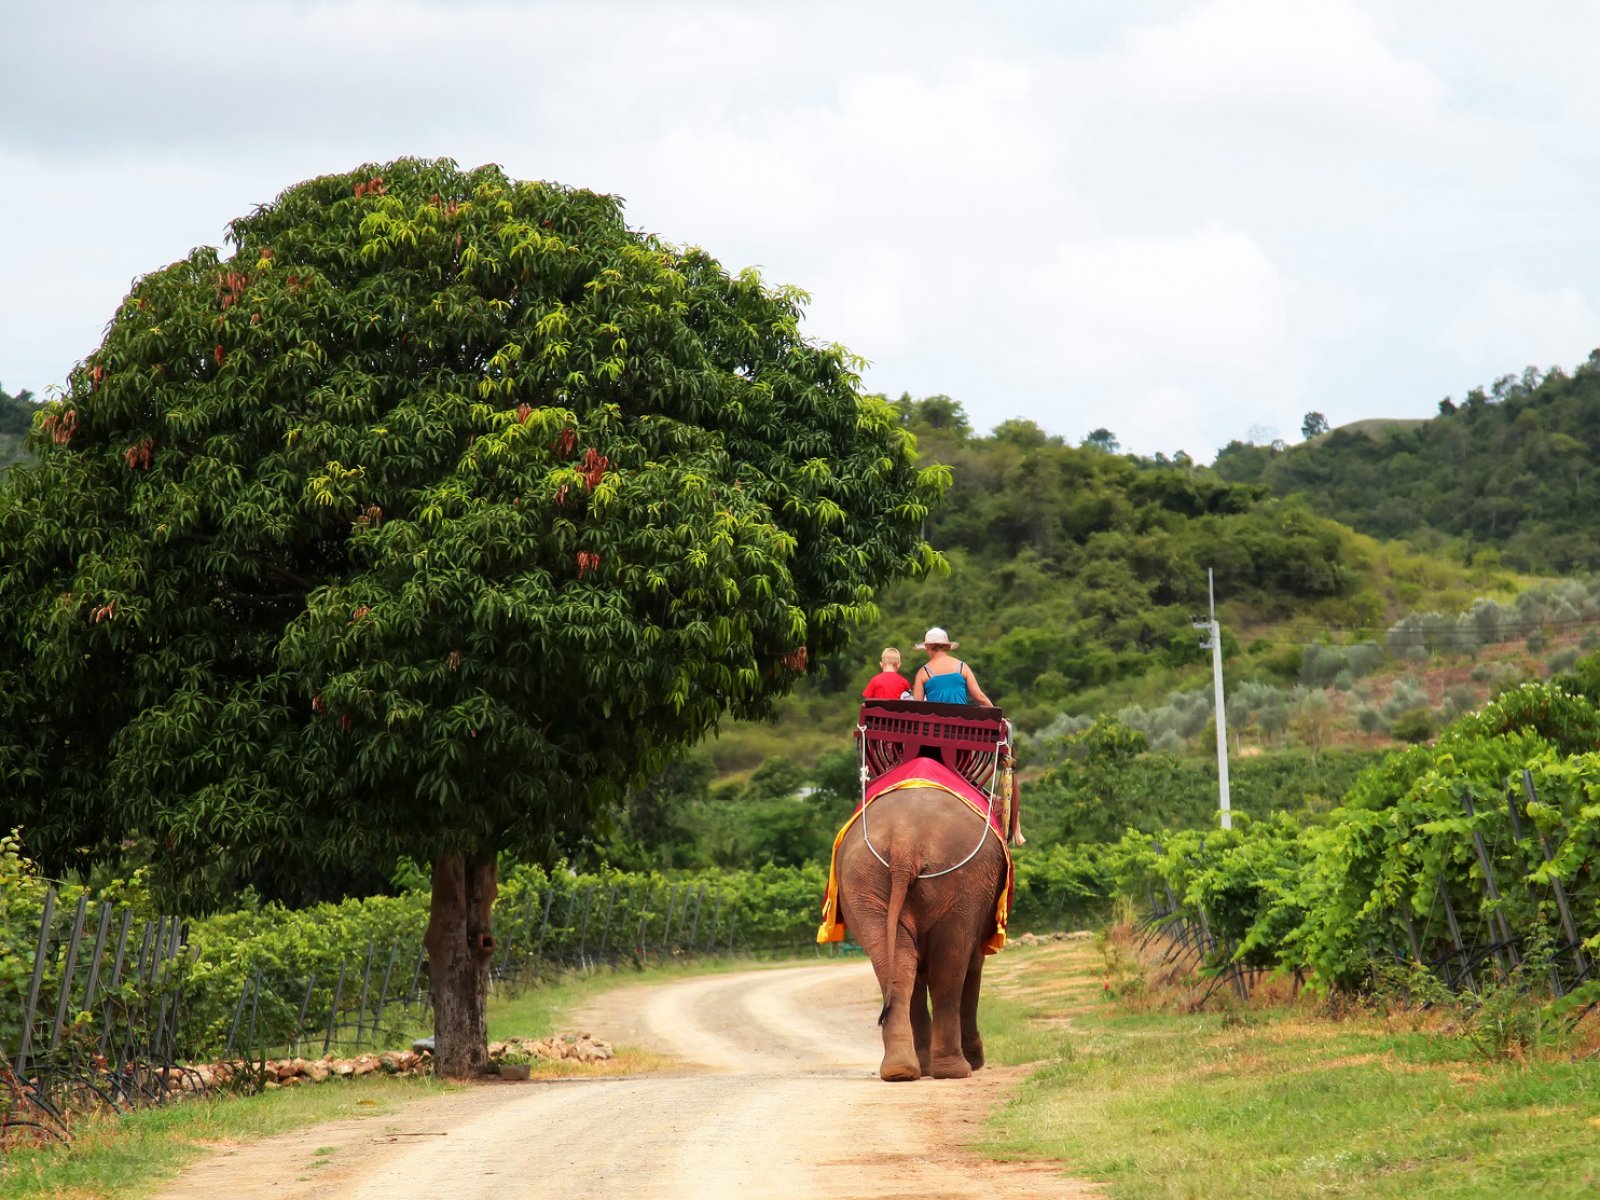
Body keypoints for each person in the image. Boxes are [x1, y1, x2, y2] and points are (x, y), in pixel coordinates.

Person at [910, 627, 994, 706]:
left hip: (935, 721)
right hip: (960, 720)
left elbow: (918, 706)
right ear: (947, 646)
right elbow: (979, 697)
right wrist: (996, 714)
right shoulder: (962, 667)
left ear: (928, 647)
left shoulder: (923, 672)